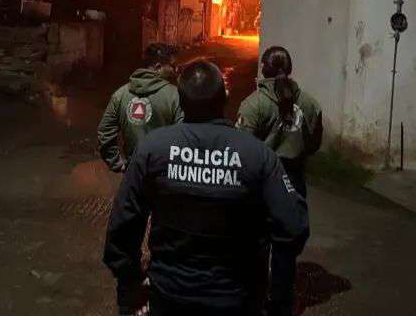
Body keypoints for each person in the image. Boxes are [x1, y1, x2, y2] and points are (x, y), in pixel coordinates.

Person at [103, 60, 309, 315]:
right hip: (237, 299)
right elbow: (293, 225)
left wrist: (129, 281)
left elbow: (123, 222)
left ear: (179, 100)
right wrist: (277, 294)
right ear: (225, 96)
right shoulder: (258, 155)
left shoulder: (152, 149)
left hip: (169, 296)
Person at [236, 45, 323, 316]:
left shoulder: (254, 104)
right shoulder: (310, 104)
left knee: (256, 244)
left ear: (264, 68)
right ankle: (281, 305)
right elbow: (314, 143)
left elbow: (243, 151)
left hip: (261, 186)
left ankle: (256, 301)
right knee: (286, 248)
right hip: (293, 182)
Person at [98, 43, 184, 173]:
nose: (175, 70)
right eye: (172, 66)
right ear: (158, 67)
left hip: (133, 171)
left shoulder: (120, 94)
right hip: (165, 172)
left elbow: (104, 132)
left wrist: (118, 164)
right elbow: (184, 136)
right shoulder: (175, 95)